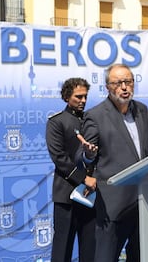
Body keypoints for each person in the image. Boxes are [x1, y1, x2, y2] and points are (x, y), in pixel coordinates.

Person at [76, 64, 148, 262]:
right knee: (106, 257)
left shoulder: (142, 111)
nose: (124, 87)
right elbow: (84, 157)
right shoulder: (96, 116)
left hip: (144, 201)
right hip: (114, 203)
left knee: (140, 256)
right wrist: (88, 154)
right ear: (108, 87)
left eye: (128, 81)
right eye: (118, 83)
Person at [46, 77, 96, 262]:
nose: (83, 100)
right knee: (62, 249)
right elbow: (59, 158)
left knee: (90, 248)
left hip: (90, 195)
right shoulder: (56, 122)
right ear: (67, 96)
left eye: (85, 97)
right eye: (78, 97)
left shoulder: (91, 121)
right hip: (66, 195)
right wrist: (84, 179)